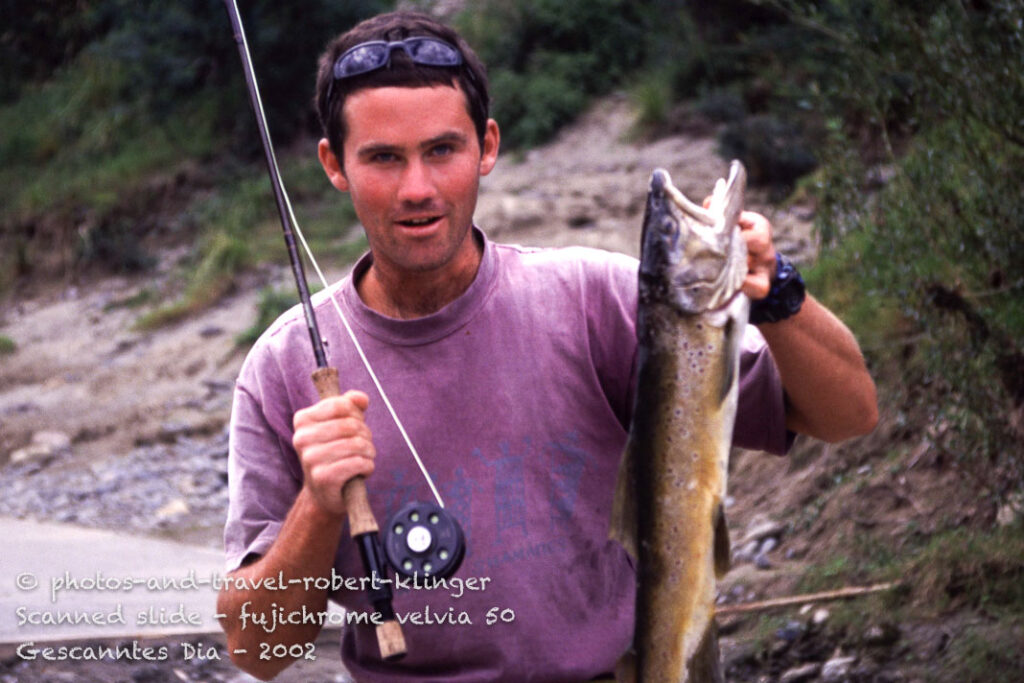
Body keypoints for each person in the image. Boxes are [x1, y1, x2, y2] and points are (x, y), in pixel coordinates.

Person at [217, 10, 878, 682]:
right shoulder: (282, 366)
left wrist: (778, 295)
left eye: (442, 150)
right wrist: (318, 504)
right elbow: (259, 650)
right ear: (335, 164)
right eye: (384, 158)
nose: (417, 188)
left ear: (488, 146)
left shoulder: (597, 299)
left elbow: (848, 414)